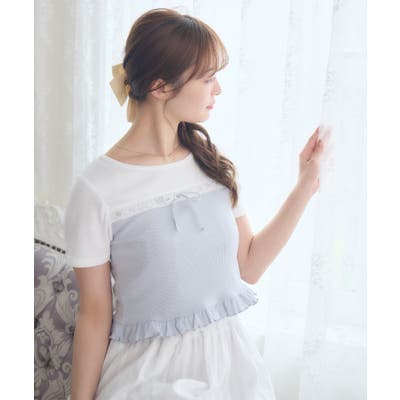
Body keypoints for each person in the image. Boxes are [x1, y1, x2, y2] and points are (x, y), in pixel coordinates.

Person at [65, 7, 324, 400]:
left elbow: (250, 265)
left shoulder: (209, 163)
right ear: (160, 86)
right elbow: (94, 315)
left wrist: (304, 186)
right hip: (146, 378)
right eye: (207, 78)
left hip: (232, 370)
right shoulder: (96, 189)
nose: (218, 89)